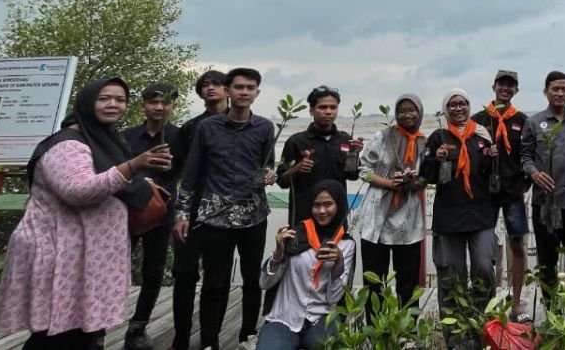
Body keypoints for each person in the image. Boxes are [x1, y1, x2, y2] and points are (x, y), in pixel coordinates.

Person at [0, 78, 172, 349]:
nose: (113, 104)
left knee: (81, 333)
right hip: (61, 253)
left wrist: (141, 182)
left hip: (86, 256)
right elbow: (77, 190)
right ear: (87, 102)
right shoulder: (67, 144)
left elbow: (108, 180)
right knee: (56, 336)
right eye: (104, 98)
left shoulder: (105, 138)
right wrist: (132, 166)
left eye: (120, 99)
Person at [173, 67, 276, 350]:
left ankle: (247, 337)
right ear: (229, 91)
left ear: (257, 92)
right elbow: (191, 174)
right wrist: (182, 214)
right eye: (239, 87)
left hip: (253, 215)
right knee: (213, 283)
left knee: (253, 278)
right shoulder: (208, 128)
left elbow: (268, 165)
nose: (244, 92)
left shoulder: (265, 127)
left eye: (250, 87)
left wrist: (270, 175)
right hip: (214, 217)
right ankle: (210, 342)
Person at [421, 89, 499, 346]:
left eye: (463, 103)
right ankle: (456, 339)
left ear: (468, 106)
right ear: (446, 109)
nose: (458, 108)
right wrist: (437, 158)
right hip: (448, 217)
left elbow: (489, 174)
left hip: (481, 214)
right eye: (452, 104)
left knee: (484, 269)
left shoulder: (481, 135)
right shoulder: (438, 137)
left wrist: (493, 159)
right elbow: (427, 176)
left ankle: (482, 329)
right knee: (451, 278)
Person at [255, 180, 356, 350]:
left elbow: (333, 298)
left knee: (333, 346)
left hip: (322, 317)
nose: (322, 211)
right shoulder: (294, 235)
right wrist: (279, 252)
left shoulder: (346, 244)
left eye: (328, 204)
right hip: (284, 318)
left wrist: (338, 263)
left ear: (339, 205)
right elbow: (264, 283)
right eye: (316, 205)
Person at [519, 70, 565, 300]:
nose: (560, 93)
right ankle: (552, 314)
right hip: (546, 204)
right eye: (555, 89)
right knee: (547, 263)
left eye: (564, 89)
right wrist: (534, 173)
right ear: (546, 92)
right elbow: (524, 156)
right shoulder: (533, 123)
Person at [351, 93, 428, 311]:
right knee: (374, 281)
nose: (407, 115)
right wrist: (388, 183)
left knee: (408, 281)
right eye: (402, 111)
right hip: (376, 216)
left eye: (411, 110)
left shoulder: (425, 142)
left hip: (409, 217)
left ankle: (408, 333)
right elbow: (362, 171)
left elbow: (426, 178)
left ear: (420, 112)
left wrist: (413, 181)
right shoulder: (383, 136)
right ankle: (376, 332)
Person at [170, 69, 228, 350]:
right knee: (184, 274)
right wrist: (179, 212)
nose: (210, 88)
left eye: (216, 83)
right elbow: (179, 171)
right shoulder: (190, 128)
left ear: (227, 89)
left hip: (226, 212)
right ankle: (181, 337)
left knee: (217, 278)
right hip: (192, 210)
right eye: (204, 85)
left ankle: (211, 339)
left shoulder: (243, 124)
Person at [122, 82, 181, 350]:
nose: (159, 107)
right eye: (153, 102)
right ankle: (99, 326)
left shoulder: (180, 138)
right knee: (115, 268)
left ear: (173, 105)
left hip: (162, 212)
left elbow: (189, 173)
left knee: (154, 270)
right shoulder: (126, 137)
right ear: (143, 105)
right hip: (128, 211)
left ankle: (138, 327)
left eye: (165, 102)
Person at [470, 69, 532, 322]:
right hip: (485, 194)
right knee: (483, 250)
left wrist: (526, 182)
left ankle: (516, 302)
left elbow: (530, 154)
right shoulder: (478, 119)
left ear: (516, 90)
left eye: (511, 85)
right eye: (501, 84)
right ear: (493, 86)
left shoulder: (522, 120)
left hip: (513, 193)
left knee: (517, 246)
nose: (505, 89)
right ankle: (486, 302)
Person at [276, 85, 362, 225]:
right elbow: (281, 181)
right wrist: (297, 168)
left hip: (336, 216)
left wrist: (353, 154)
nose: (328, 112)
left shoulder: (345, 141)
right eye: (322, 107)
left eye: (333, 107)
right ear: (311, 110)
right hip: (303, 216)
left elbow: (352, 175)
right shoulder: (296, 142)